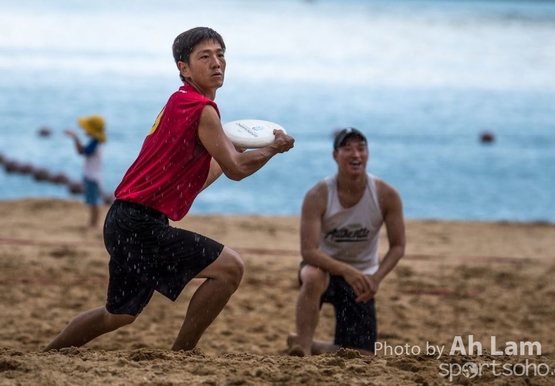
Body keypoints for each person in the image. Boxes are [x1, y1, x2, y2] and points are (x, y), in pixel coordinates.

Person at [43, 26, 294, 352]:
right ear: (183, 68)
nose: (216, 63)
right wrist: (272, 148)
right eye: (205, 57)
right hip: (138, 225)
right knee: (230, 269)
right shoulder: (200, 109)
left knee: (117, 315)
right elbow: (236, 171)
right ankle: (183, 353)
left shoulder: (180, 102)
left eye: (221, 55)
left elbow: (206, 175)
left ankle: (48, 354)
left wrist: (240, 149)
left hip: (123, 220)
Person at [288, 127, 405, 356]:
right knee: (312, 276)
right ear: (335, 156)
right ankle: (302, 347)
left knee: (362, 356)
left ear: (368, 155)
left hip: (362, 277)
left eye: (361, 148)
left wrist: (376, 278)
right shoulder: (318, 195)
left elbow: (398, 246)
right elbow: (308, 252)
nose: (356, 154)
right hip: (325, 269)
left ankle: (316, 345)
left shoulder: (386, 194)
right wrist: (345, 270)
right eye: (347, 148)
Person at [64, 114, 106, 228]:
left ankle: (94, 223)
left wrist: (75, 137)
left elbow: (82, 151)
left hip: (92, 176)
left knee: (94, 201)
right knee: (92, 200)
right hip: (92, 175)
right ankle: (93, 222)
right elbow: (82, 151)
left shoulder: (96, 143)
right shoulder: (96, 142)